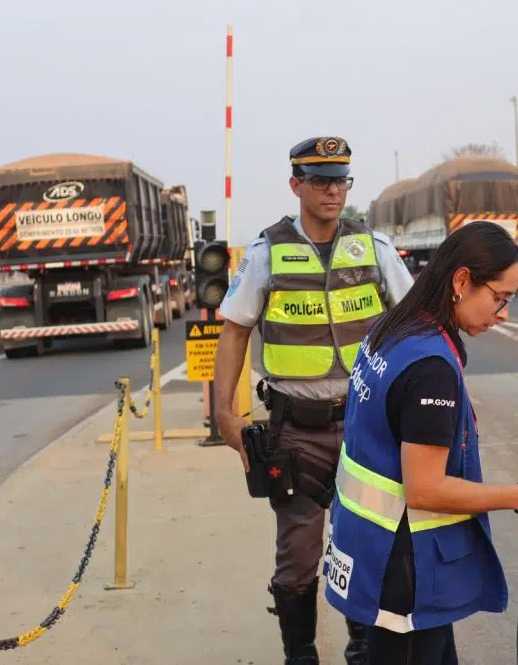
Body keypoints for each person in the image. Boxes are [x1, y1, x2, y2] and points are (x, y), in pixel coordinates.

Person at [321, 220, 518, 665]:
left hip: (373, 550)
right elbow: (425, 489)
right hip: (406, 569)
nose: (503, 313)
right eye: (499, 297)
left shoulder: (391, 330)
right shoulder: (430, 367)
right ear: (461, 281)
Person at [214, 136, 414, 665]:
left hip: (368, 427)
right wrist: (224, 414)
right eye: (320, 181)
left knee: (368, 542)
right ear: (296, 185)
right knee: (298, 556)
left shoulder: (374, 248)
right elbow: (234, 333)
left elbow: (416, 324)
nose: (332, 192)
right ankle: (300, 654)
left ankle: (364, 647)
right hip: (296, 433)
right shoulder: (266, 253)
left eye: (340, 181)